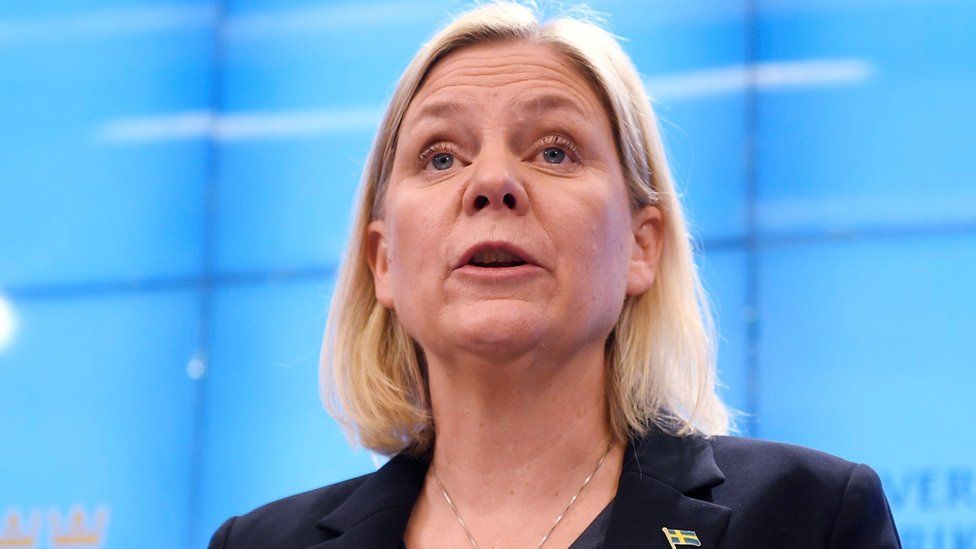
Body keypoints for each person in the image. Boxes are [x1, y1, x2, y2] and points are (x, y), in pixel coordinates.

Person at [209, 2, 901, 547]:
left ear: (641, 246)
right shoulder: (260, 542)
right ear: (383, 262)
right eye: (441, 156)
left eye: (555, 151)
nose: (492, 182)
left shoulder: (809, 517)